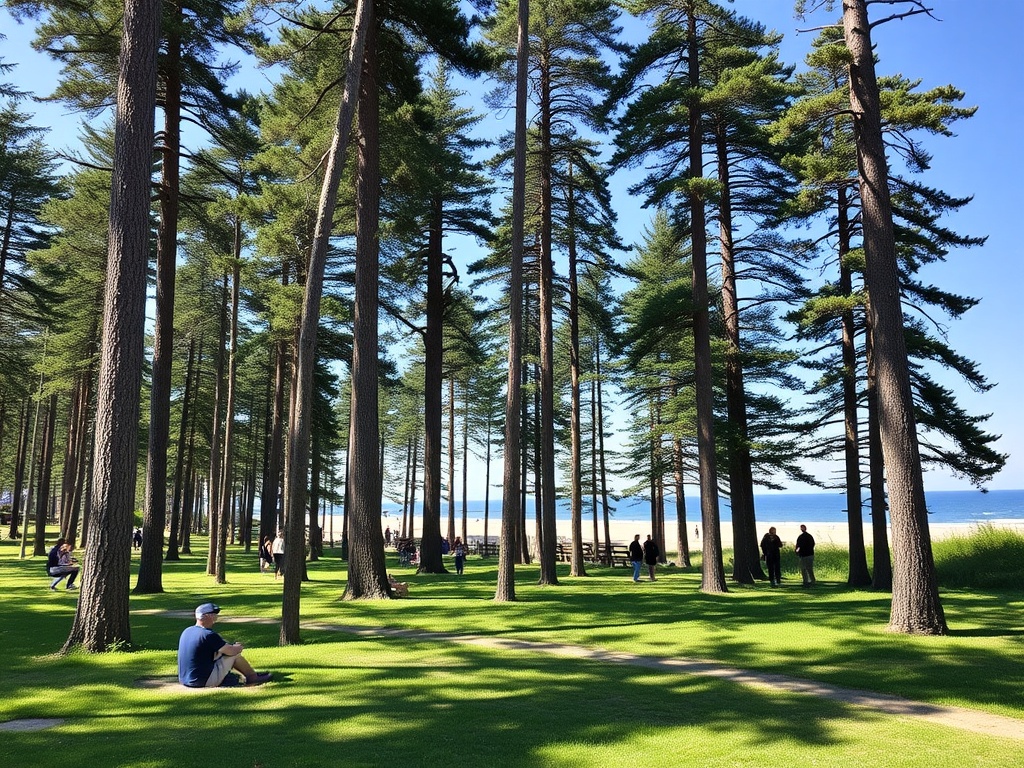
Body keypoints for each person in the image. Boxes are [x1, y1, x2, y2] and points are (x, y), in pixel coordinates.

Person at [177, 603, 271, 688]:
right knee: (234, 655)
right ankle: (252, 677)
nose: (215, 617)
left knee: (224, 654)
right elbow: (231, 651)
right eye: (214, 614)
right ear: (207, 616)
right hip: (202, 681)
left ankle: (248, 676)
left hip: (185, 680)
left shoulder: (187, 631)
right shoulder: (208, 634)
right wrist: (238, 647)